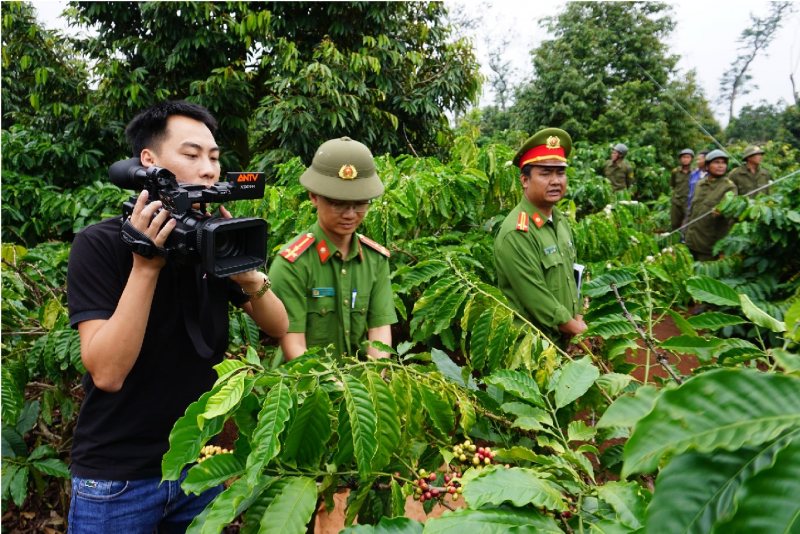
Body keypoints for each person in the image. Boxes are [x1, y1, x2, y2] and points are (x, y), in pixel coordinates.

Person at [66, 100, 289, 533]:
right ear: (149, 162)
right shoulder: (99, 244)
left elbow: (278, 326)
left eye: (215, 157)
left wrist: (245, 274)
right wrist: (146, 264)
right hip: (118, 478)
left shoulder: (209, 239)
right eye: (191, 155)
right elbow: (107, 372)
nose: (208, 169)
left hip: (198, 465)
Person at [269, 137, 397, 361]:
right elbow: (294, 345)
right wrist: (338, 391)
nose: (350, 214)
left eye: (359, 204)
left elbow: (380, 331)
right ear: (313, 197)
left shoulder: (375, 259)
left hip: (360, 387)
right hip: (305, 387)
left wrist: (374, 382)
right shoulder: (292, 264)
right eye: (338, 203)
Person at [494, 128, 586, 349]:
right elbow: (537, 298)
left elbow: (573, 276)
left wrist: (580, 316)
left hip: (565, 341)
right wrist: (579, 331)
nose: (555, 181)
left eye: (560, 173)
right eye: (545, 174)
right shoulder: (517, 232)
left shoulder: (560, 221)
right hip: (534, 349)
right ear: (525, 180)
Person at [684, 149, 738, 262]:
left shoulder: (729, 187)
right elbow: (692, 210)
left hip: (708, 245)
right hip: (691, 241)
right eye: (716, 162)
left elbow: (728, 206)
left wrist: (721, 210)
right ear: (707, 166)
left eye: (723, 163)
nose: (721, 166)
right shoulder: (699, 184)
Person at [670, 149, 694, 231]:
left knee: (689, 224)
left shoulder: (695, 172)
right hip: (677, 201)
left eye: (688, 157)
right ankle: (674, 242)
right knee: (674, 224)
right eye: (683, 157)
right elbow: (673, 185)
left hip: (689, 202)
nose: (686, 159)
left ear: (692, 159)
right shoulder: (675, 172)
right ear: (680, 159)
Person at [686, 149, 709, 215]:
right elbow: (690, 192)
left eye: (699, 159)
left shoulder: (712, 175)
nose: (697, 162)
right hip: (692, 209)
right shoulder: (694, 174)